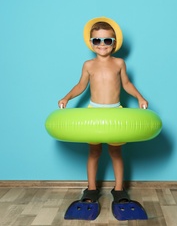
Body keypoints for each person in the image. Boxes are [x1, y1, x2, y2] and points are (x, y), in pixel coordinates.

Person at [58, 17, 148, 203]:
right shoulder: (88, 65)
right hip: (94, 112)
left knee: (116, 153)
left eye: (107, 40)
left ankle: (119, 189)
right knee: (94, 152)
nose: (102, 44)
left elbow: (127, 84)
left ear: (114, 43)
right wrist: (66, 97)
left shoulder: (119, 63)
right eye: (97, 40)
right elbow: (81, 86)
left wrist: (140, 97)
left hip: (115, 112)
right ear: (91, 43)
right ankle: (91, 189)